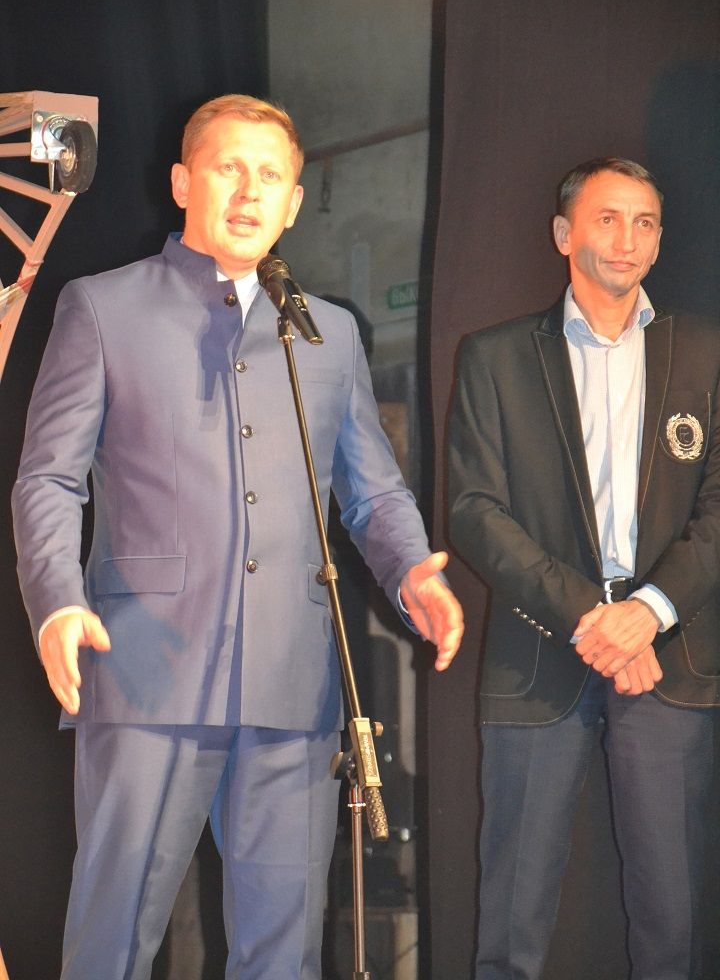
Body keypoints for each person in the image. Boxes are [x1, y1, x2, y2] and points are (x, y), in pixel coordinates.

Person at [12, 94, 464, 980]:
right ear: (184, 183)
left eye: (271, 176)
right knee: (111, 945)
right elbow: (49, 479)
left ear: (294, 203)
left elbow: (372, 492)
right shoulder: (102, 308)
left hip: (292, 689)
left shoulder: (327, 332)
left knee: (282, 956)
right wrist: (57, 603)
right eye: (229, 168)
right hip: (146, 673)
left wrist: (413, 571)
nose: (250, 191)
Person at [448, 157, 720, 980]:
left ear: (660, 241)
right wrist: (592, 617)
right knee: (511, 921)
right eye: (607, 219)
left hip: (671, 656)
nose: (627, 239)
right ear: (565, 234)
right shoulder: (495, 356)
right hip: (539, 649)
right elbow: (475, 512)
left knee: (673, 921)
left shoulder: (706, 352)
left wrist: (649, 612)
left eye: (645, 223)